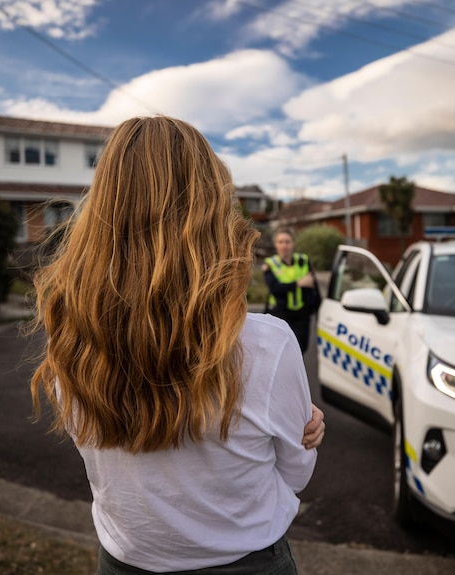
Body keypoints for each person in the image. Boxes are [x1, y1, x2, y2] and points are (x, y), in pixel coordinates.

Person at [29, 115, 325, 575]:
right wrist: (301, 438)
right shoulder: (266, 344)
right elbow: (295, 475)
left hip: (124, 562)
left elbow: (93, 442)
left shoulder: (69, 332)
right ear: (213, 209)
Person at [263, 227, 321, 354]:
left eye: (287, 241)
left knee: (300, 350)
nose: (284, 245)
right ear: (276, 245)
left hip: (301, 315)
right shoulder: (270, 264)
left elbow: (313, 286)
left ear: (293, 243)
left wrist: (316, 310)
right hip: (280, 314)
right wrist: (299, 283)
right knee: (280, 351)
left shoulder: (304, 261)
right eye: (280, 242)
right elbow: (275, 288)